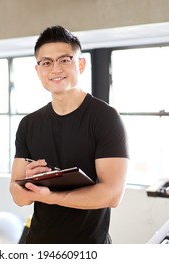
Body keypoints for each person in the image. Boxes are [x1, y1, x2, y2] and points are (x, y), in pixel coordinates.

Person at [9, 25, 129, 244]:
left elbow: (113, 195)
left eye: (64, 60)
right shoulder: (28, 124)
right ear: (38, 71)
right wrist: (29, 182)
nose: (55, 69)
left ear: (80, 64)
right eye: (46, 62)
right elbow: (17, 196)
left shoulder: (105, 118)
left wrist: (52, 197)